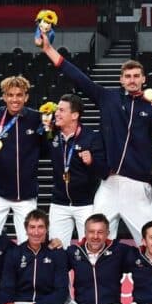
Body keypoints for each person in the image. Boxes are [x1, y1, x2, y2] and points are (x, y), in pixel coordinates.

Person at [40, 34, 152, 243]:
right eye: (128, 76)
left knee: (151, 240)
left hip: (138, 184)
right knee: (95, 240)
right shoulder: (107, 98)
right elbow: (79, 78)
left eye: (136, 76)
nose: (132, 80)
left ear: (143, 79)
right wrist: (49, 50)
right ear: (121, 79)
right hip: (109, 183)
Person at [0, 76, 44, 243]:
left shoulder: (37, 119)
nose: (15, 99)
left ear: (26, 97)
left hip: (26, 195)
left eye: (19, 95)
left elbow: (46, 149)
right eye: (10, 95)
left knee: (30, 243)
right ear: (4, 96)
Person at [45, 94, 107, 247]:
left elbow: (104, 171)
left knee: (91, 249)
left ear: (74, 115)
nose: (56, 113)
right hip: (59, 203)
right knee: (56, 250)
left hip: (86, 205)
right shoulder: (51, 134)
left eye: (61, 110)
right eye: (57, 110)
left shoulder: (92, 138)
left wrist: (92, 161)